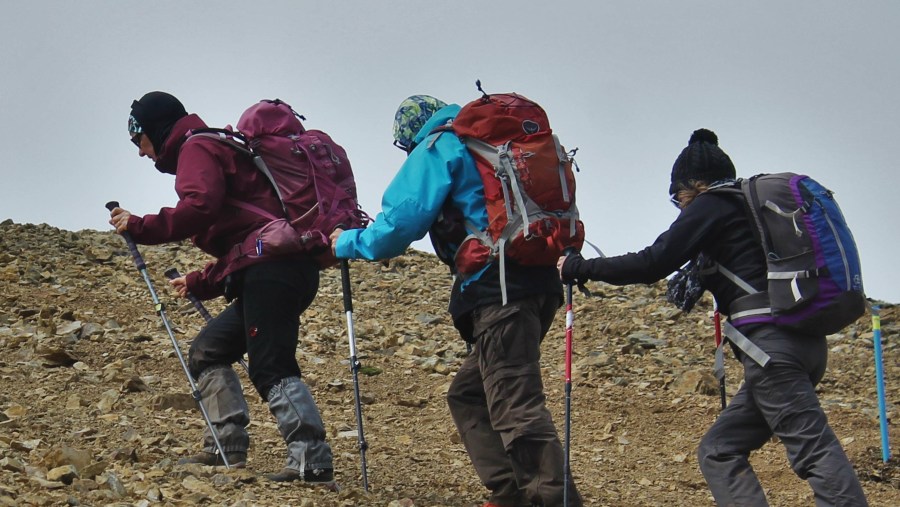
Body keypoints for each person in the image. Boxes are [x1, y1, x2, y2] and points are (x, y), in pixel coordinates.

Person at [558, 129, 868, 507]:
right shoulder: (747, 212)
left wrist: (580, 267)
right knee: (720, 450)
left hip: (770, 352)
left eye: (678, 197)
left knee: (813, 450)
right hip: (800, 344)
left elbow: (653, 261)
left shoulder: (712, 205)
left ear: (695, 185)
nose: (679, 207)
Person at [330, 95, 582, 507]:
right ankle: (511, 493)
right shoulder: (495, 144)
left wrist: (346, 242)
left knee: (515, 405)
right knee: (470, 394)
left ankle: (551, 500)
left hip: (499, 289)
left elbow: (398, 226)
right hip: (539, 283)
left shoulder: (439, 146)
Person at [109, 91, 335, 485]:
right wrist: (198, 281)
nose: (141, 152)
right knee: (208, 350)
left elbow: (201, 207)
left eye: (138, 139)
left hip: (275, 272)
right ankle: (224, 446)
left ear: (156, 128)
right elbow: (248, 240)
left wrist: (141, 226)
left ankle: (311, 461)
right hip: (273, 269)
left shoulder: (196, 148)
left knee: (271, 365)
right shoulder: (213, 145)